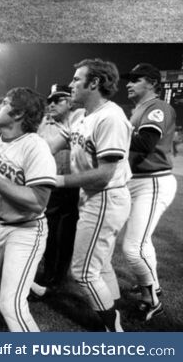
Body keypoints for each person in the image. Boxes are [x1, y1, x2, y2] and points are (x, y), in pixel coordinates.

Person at [50, 59, 132, 332]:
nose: (71, 84)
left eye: (76, 79)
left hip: (105, 196)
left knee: (83, 272)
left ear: (94, 83)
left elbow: (105, 173)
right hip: (95, 196)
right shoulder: (83, 114)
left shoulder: (111, 117)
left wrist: (58, 180)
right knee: (102, 264)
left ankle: (114, 329)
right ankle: (114, 311)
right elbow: (52, 145)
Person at [0, 87, 56, 331]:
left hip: (26, 230)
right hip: (0, 226)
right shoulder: (0, 139)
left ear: (18, 113)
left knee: (11, 306)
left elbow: (38, 201)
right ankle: (30, 283)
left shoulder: (35, 146)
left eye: (4, 103)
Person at [120, 63, 177, 321]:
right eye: (128, 80)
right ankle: (153, 283)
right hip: (141, 180)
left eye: (135, 79)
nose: (128, 83)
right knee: (143, 242)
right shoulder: (139, 109)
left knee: (132, 248)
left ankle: (151, 299)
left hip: (153, 182)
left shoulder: (158, 107)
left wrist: (113, 132)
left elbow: (145, 143)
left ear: (152, 82)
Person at [31, 84, 80, 298]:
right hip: (48, 186)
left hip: (72, 186)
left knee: (65, 235)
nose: (51, 104)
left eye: (57, 100)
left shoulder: (79, 122)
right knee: (48, 233)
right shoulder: (42, 123)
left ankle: (58, 277)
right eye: (49, 100)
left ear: (70, 101)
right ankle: (49, 272)